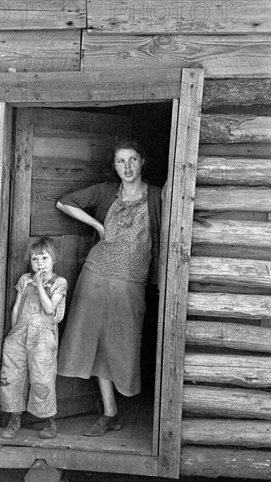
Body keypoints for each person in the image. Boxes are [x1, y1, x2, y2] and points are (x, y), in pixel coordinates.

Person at [56, 139, 162, 437]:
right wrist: (99, 227)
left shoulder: (157, 196)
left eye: (132, 160)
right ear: (114, 166)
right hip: (96, 273)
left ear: (143, 161)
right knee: (92, 339)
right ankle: (110, 412)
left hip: (131, 279)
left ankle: (120, 409)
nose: (127, 167)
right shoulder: (105, 191)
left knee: (121, 342)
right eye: (120, 162)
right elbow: (64, 202)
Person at [0, 237, 68, 440]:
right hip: (19, 334)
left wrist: (39, 285)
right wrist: (14, 332)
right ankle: (15, 418)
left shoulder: (59, 282)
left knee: (42, 378)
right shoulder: (24, 279)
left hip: (43, 337)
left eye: (44, 258)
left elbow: (49, 308)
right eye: (35, 259)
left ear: (53, 260)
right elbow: (16, 307)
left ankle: (49, 420)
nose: (39, 263)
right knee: (12, 376)